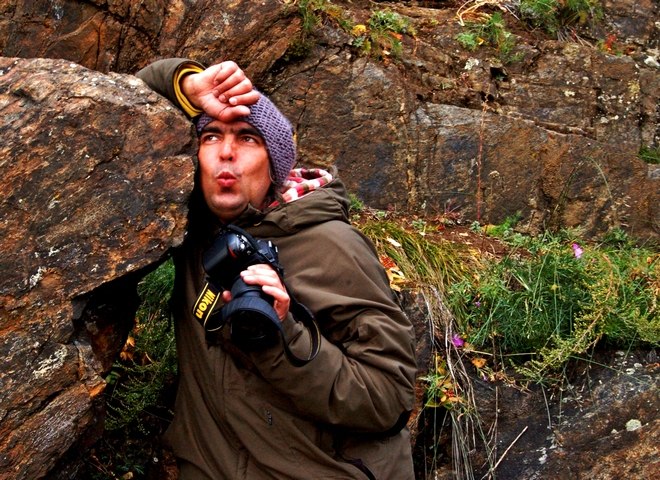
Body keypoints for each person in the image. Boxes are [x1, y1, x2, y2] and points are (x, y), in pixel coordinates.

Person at [136, 58, 417, 480]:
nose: (226, 152)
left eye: (247, 138)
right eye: (211, 136)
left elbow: (388, 399)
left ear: (275, 165)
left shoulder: (331, 246)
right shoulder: (194, 227)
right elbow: (120, 115)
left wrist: (282, 334)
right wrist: (188, 86)